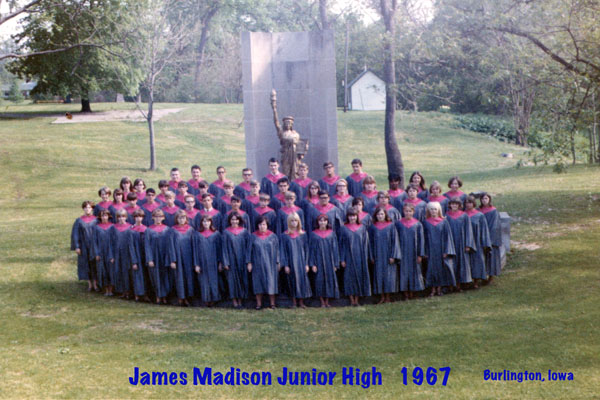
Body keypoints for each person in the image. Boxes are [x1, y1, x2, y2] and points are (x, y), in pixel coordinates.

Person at [339, 208, 371, 306]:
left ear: (357, 217)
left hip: (360, 256)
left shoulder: (362, 228)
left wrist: (365, 256)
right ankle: (351, 299)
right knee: (349, 277)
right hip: (348, 256)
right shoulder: (343, 228)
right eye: (350, 216)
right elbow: (341, 245)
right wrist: (342, 259)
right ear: (347, 217)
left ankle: (357, 299)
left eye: (354, 216)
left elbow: (366, 243)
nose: (352, 218)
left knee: (359, 276)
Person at [423, 202, 456, 296]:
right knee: (431, 269)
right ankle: (432, 289)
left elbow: (447, 237)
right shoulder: (425, 222)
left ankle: (439, 289)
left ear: (439, 210)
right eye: (431, 209)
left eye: (435, 209)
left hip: (441, 249)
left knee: (441, 269)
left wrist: (447, 250)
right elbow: (423, 238)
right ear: (428, 211)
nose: (433, 211)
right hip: (430, 249)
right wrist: (424, 251)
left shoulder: (444, 222)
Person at [247, 216, 280, 310]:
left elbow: (277, 250)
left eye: (264, 224)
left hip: (271, 263)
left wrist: (278, 262)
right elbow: (249, 250)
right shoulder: (253, 236)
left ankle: (272, 303)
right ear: (257, 225)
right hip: (257, 262)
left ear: (267, 225)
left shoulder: (273, 236)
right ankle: (259, 304)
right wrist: (249, 262)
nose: (262, 226)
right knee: (258, 282)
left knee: (271, 282)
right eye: (260, 224)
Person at [279, 213, 312, 308]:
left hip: (301, 261)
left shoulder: (303, 235)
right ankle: (294, 302)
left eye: (296, 221)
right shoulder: (285, 235)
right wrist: (285, 264)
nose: (294, 223)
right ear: (288, 222)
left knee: (302, 281)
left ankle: (301, 302)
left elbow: (307, 249)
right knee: (292, 280)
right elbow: (283, 250)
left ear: (299, 222)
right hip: (291, 262)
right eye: (292, 221)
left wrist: (306, 263)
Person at [369, 207, 401, 304]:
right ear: (375, 216)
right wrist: (371, 256)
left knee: (389, 276)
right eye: (378, 214)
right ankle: (382, 297)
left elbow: (395, 241)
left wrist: (393, 255)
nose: (380, 216)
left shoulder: (391, 226)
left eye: (382, 214)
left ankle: (388, 297)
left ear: (385, 215)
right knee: (379, 276)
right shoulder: (373, 227)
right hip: (378, 255)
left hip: (388, 255)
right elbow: (370, 243)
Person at [308, 214, 340, 307]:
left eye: (324, 221)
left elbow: (335, 249)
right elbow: (311, 250)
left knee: (329, 279)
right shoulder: (314, 234)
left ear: (327, 222)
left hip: (329, 260)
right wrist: (312, 264)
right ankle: (322, 301)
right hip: (318, 261)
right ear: (318, 222)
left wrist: (335, 263)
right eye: (320, 221)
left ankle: (327, 301)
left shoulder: (332, 233)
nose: (322, 222)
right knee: (319, 280)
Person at [144, 209, 175, 304]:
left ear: (163, 218)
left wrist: (171, 258)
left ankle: (165, 296)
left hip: (165, 256)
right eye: (156, 216)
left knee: (165, 276)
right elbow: (147, 246)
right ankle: (158, 295)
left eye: (160, 216)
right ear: (153, 217)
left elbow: (171, 245)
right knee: (155, 276)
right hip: (154, 257)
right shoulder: (149, 230)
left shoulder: (167, 229)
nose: (158, 218)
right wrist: (149, 259)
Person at [396, 203, 425, 300]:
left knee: (414, 271)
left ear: (413, 212)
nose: (408, 213)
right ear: (403, 211)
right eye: (406, 211)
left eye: (410, 211)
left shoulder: (418, 224)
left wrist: (420, 254)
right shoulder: (398, 223)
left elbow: (421, 240)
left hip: (414, 252)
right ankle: (405, 293)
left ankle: (413, 292)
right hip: (402, 251)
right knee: (403, 272)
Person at [221, 212, 251, 308]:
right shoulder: (226, 232)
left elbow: (248, 247)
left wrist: (248, 261)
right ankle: (234, 301)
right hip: (231, 260)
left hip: (242, 259)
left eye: (236, 219)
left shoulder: (244, 232)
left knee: (242, 279)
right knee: (232, 280)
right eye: (232, 219)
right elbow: (224, 248)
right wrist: (225, 262)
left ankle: (240, 300)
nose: (234, 221)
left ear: (239, 220)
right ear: (229, 221)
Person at [446, 197, 475, 291]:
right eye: (452, 204)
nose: (454, 205)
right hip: (450, 243)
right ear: (450, 205)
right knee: (451, 262)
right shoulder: (446, 216)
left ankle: (460, 284)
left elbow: (468, 230)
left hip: (461, 243)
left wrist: (468, 244)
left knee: (461, 263)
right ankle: (451, 284)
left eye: (456, 204)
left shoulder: (464, 216)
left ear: (459, 205)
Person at [193, 215, 222, 306]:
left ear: (211, 222)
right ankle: (206, 299)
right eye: (204, 221)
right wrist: (196, 264)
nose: (206, 223)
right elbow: (195, 250)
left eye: (208, 221)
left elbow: (219, 249)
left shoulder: (216, 234)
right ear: (201, 223)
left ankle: (214, 298)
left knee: (214, 280)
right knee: (203, 281)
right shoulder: (197, 234)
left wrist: (220, 262)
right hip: (201, 261)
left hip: (213, 261)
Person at [464, 196, 491, 288]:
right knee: (467, 261)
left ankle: (476, 281)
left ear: (474, 203)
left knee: (477, 260)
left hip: (477, 241)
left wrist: (485, 243)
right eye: (466, 203)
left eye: (470, 202)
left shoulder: (479, 215)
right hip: (465, 241)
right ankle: (467, 281)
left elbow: (484, 229)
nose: (468, 204)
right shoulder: (462, 215)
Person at [170, 210, 195, 306]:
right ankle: (181, 297)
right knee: (179, 277)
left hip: (189, 257)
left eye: (183, 218)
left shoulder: (190, 230)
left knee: (189, 277)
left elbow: (194, 245)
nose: (181, 220)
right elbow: (171, 246)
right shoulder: (173, 230)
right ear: (176, 219)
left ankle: (188, 297)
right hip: (178, 257)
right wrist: (173, 260)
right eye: (179, 218)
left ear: (186, 219)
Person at [71, 201, 97, 291]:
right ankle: (89, 284)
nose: (87, 209)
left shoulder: (96, 220)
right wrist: (77, 246)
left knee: (94, 263)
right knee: (85, 264)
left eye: (89, 207)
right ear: (83, 209)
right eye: (85, 207)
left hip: (94, 245)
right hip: (84, 246)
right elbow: (75, 234)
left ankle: (95, 283)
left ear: (92, 209)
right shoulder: (79, 221)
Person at [110, 209, 134, 299]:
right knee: (119, 271)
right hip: (117, 253)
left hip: (127, 253)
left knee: (127, 272)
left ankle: (129, 291)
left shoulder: (130, 227)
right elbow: (110, 242)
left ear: (126, 217)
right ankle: (122, 291)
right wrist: (111, 255)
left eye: (123, 216)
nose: (121, 218)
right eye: (119, 217)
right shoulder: (113, 228)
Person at [479, 192, 502, 281]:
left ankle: (491, 276)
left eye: (486, 198)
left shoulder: (493, 211)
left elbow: (495, 226)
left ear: (489, 199)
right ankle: (483, 275)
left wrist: (489, 240)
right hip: (480, 237)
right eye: (483, 199)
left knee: (491, 257)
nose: (484, 200)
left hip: (491, 237)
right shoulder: (478, 210)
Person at [130, 209, 148, 302]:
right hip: (136, 255)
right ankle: (137, 294)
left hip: (144, 255)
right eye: (136, 217)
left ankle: (145, 294)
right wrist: (134, 261)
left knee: (145, 275)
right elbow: (131, 246)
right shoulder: (131, 230)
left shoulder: (146, 229)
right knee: (136, 275)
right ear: (134, 218)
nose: (138, 218)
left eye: (140, 216)